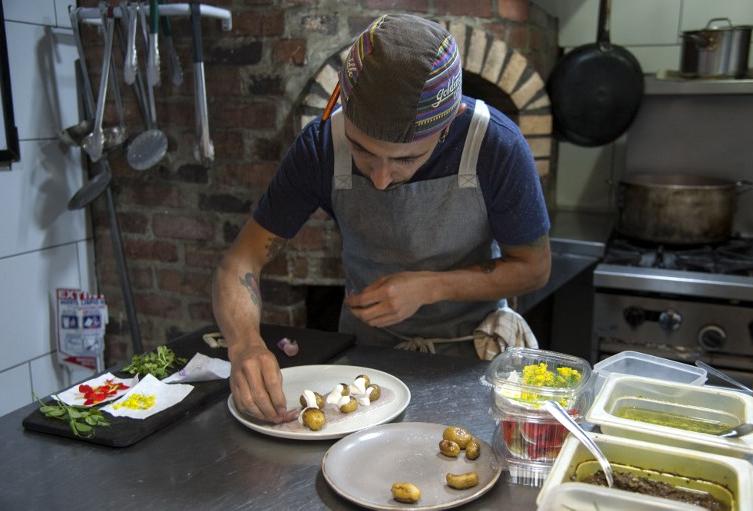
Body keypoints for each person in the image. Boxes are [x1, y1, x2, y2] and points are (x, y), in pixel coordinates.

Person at [212, 14, 551, 423]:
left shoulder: (496, 146)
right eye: (363, 151)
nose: (380, 177)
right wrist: (245, 345)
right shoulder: (322, 147)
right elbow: (240, 264)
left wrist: (429, 287)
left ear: (449, 126)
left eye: (406, 159)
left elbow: (534, 269)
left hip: (471, 356)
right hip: (365, 360)